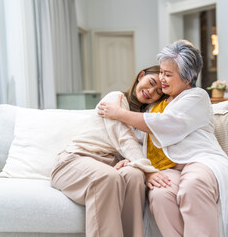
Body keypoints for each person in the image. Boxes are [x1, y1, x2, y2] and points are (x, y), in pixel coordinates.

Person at [98, 40, 228, 237]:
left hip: (202, 161)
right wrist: (130, 162)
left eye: (168, 74)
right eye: (161, 72)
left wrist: (119, 113)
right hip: (171, 168)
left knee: (192, 185)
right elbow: (138, 141)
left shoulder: (196, 97)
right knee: (160, 195)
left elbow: (165, 124)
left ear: (188, 77)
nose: (162, 78)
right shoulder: (156, 104)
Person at [50, 65, 169, 237]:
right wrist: (148, 170)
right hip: (74, 161)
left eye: (158, 92)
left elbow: (133, 149)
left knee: (135, 176)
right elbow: (123, 138)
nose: (151, 91)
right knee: (108, 178)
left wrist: (130, 162)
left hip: (108, 165)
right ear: (140, 75)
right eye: (151, 82)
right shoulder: (116, 99)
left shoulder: (144, 118)